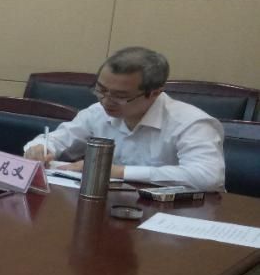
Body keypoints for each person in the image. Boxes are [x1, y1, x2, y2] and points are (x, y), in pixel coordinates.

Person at [24, 47, 225, 190]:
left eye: (120, 96)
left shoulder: (191, 123)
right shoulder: (97, 112)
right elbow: (58, 139)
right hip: (115, 206)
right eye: (101, 90)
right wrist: (40, 148)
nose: (106, 101)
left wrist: (115, 172)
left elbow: (207, 176)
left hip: (178, 217)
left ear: (155, 93)